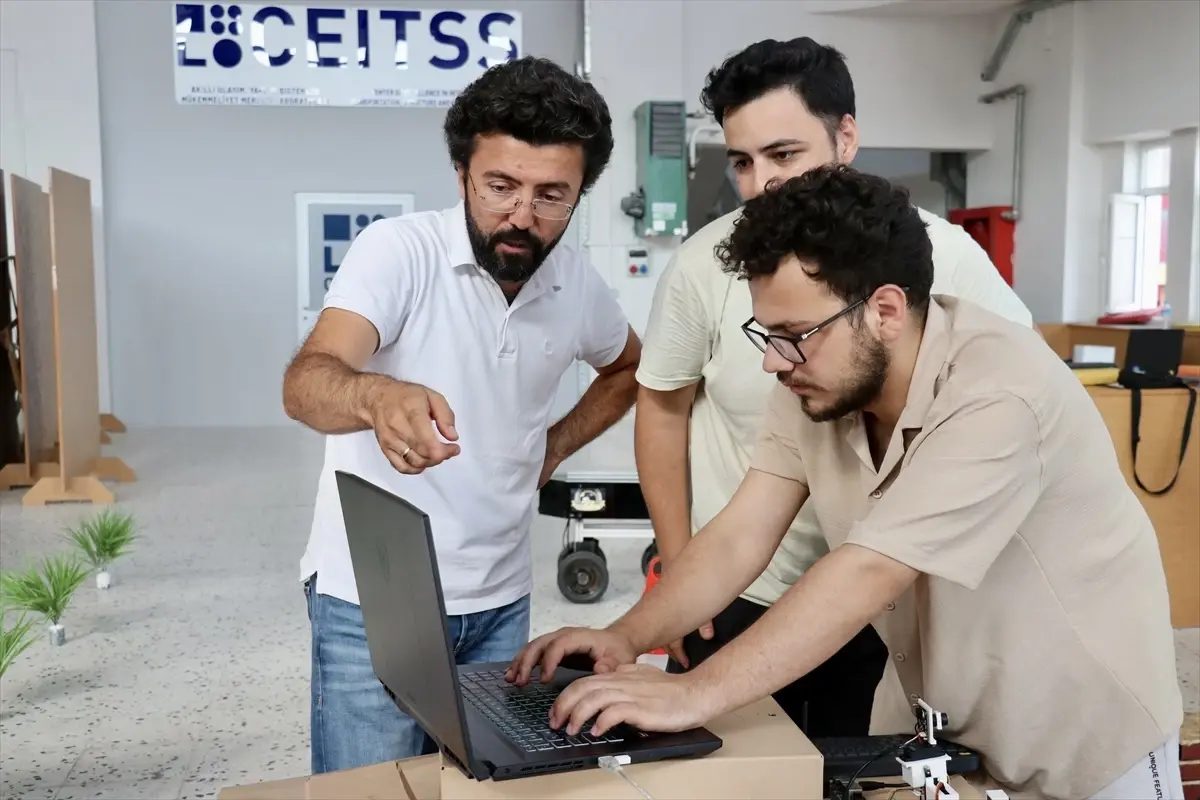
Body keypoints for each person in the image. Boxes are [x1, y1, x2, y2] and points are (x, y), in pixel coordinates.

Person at [508, 166, 1183, 800]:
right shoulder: (817, 382)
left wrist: (695, 693)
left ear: (885, 310)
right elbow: (742, 534)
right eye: (767, 333)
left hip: (1083, 734)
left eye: (793, 333)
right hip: (938, 717)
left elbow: (868, 571)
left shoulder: (1001, 393)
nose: (774, 361)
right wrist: (628, 636)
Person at [634, 36, 1033, 736]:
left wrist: (693, 692)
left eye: (784, 155)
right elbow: (675, 426)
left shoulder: (957, 287)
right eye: (742, 162)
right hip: (750, 585)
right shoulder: (711, 273)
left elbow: (1013, 404)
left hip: (897, 595)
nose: (762, 184)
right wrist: (670, 583)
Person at [282, 56, 642, 774]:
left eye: (551, 196)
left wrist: (553, 446)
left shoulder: (576, 283)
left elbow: (631, 368)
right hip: (375, 600)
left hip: (503, 600)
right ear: (461, 176)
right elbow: (306, 383)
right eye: (500, 187)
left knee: (479, 785)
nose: (522, 217)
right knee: (372, 793)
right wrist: (374, 396)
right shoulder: (399, 253)